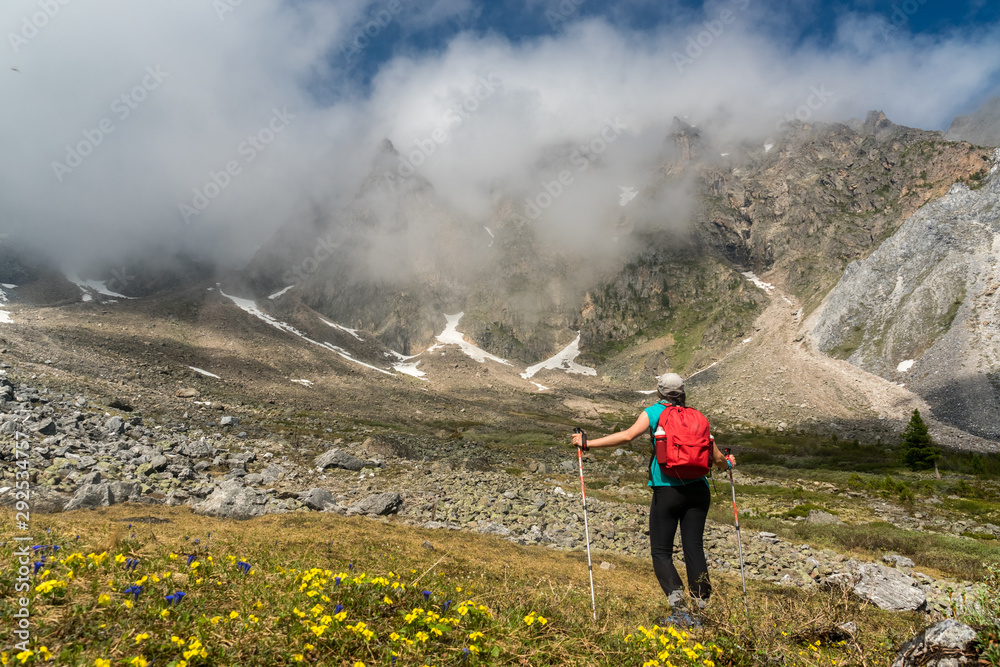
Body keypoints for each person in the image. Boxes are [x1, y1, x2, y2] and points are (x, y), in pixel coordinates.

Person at [571, 372, 734, 609]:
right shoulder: (698, 417)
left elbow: (627, 436)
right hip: (699, 490)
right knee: (694, 547)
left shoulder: (654, 412)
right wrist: (729, 463)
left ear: (659, 392)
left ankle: (678, 606)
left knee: (661, 551)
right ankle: (702, 605)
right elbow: (717, 457)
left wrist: (586, 443)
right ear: (683, 392)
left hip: (667, 489)